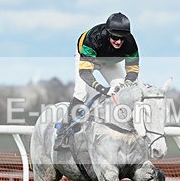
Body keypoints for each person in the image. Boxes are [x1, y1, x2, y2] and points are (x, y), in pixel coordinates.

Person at [54, 12, 140, 149]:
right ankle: (62, 133)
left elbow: (133, 70)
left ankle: (126, 131)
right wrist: (102, 89)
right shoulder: (94, 38)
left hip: (109, 62)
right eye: (115, 38)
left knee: (123, 91)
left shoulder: (130, 43)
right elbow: (85, 72)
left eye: (122, 38)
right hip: (87, 59)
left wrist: (126, 84)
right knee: (82, 93)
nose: (118, 42)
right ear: (108, 33)